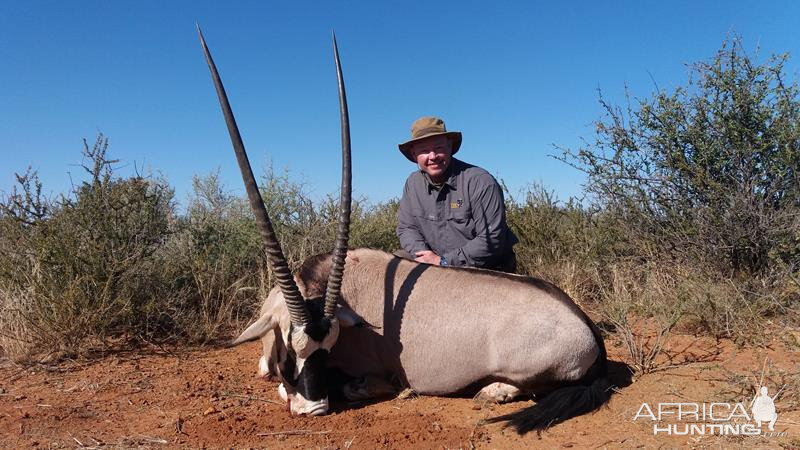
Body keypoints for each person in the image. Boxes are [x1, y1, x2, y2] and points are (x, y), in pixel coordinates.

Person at [396, 116, 517, 272]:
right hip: (435, 264)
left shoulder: (480, 181)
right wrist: (424, 256)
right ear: (414, 155)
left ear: (449, 147)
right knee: (394, 262)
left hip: (483, 269)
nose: (432, 156)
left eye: (438, 148)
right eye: (424, 151)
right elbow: (406, 228)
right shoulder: (413, 183)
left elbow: (491, 239)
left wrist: (443, 262)